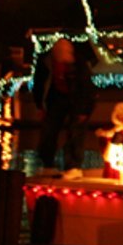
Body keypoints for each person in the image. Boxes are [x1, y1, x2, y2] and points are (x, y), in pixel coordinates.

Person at [29, 37, 95, 175]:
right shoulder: (45, 63)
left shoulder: (79, 64)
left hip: (75, 99)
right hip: (55, 97)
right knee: (49, 131)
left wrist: (84, 110)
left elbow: (87, 88)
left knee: (76, 132)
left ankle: (73, 167)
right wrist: (40, 106)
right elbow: (39, 85)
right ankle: (46, 164)